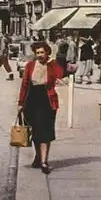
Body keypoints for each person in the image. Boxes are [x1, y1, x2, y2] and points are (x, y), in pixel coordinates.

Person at [17, 41, 70, 174]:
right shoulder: (30, 65)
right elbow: (24, 84)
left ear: (47, 53)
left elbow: (60, 74)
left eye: (42, 52)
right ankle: (38, 156)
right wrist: (20, 102)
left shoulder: (52, 66)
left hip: (47, 100)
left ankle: (44, 161)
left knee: (45, 131)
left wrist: (51, 63)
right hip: (32, 100)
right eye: (37, 53)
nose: (40, 55)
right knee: (35, 131)